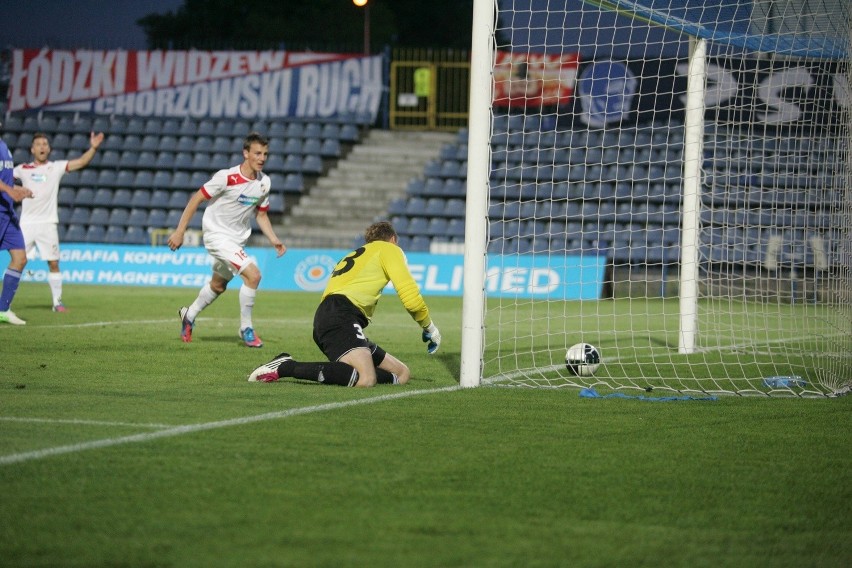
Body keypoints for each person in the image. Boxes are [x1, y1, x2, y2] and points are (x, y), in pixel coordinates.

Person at [247, 221, 441, 387]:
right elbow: (411, 298)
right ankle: (285, 366)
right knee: (367, 379)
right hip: (340, 316)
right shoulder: (390, 250)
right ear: (393, 240)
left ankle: (349, 373)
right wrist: (428, 327)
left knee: (401, 374)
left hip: (336, 316)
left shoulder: (359, 253)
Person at [167, 131, 286, 348]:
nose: (262, 158)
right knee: (254, 275)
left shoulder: (264, 183)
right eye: (257, 153)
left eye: (265, 154)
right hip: (216, 235)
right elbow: (196, 199)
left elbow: (261, 214)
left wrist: (274, 239)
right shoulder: (227, 177)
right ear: (246, 153)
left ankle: (189, 315)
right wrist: (180, 231)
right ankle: (246, 328)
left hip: (237, 241)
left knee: (218, 285)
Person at [14, 130, 105, 312]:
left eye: (45, 144)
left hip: (48, 224)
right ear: (32, 149)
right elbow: (4, 182)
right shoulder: (22, 169)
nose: (42, 147)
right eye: (38, 144)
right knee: (17, 261)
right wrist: (16, 189)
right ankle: (5, 304)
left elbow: (82, 162)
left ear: (49, 149)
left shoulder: (55, 168)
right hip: (26, 224)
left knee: (54, 263)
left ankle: (57, 303)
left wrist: (93, 148)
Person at [0, 132, 34, 325]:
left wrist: (17, 187)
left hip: (7, 212)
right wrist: (9, 190)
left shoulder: (4, 146)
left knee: (20, 259)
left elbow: (4, 178)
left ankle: (3, 309)